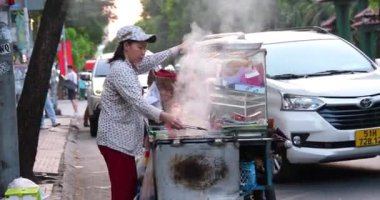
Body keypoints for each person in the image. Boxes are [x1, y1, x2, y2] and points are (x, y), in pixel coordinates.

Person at [96, 25, 184, 200]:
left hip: (121, 141)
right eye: (140, 47)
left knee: (127, 189)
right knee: (123, 192)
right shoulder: (121, 70)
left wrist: (178, 49)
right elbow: (138, 103)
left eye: (145, 47)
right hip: (116, 141)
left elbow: (152, 61)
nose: (144, 52)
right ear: (126, 45)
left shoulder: (129, 66)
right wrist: (166, 117)